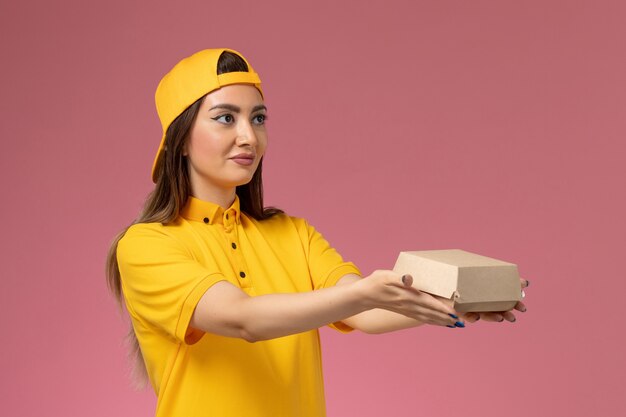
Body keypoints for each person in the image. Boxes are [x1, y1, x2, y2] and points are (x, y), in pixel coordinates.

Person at [106, 48, 528, 417]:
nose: (248, 136)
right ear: (179, 140)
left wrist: (451, 303)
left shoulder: (293, 234)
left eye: (258, 118)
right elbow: (242, 319)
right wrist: (364, 292)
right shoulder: (146, 247)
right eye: (225, 118)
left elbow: (363, 313)